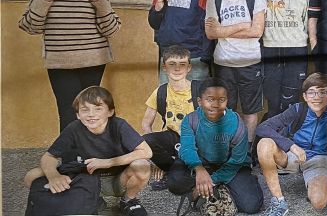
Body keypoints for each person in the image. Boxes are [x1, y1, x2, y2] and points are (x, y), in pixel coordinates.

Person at [19, 0, 121, 131]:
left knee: (91, 109)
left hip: (93, 61)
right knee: (68, 111)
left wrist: (100, 4)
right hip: (61, 63)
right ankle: (69, 156)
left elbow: (112, 30)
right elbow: (30, 26)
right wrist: (44, 2)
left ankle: (90, 151)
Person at [24, 86, 152, 216]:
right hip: (84, 180)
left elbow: (146, 152)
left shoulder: (119, 126)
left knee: (142, 165)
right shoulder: (74, 128)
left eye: (98, 109)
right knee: (33, 175)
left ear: (110, 111)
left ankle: (128, 201)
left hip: (116, 180)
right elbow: (49, 157)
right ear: (78, 115)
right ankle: (92, 200)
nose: (91, 114)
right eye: (85, 110)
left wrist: (108, 162)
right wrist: (53, 176)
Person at [166, 77, 264, 214]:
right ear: (200, 101)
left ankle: (209, 188)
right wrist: (199, 169)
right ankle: (209, 187)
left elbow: (236, 161)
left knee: (251, 205)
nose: (216, 105)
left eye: (221, 100)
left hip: (231, 165)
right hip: (202, 162)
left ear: (227, 101)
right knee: (174, 181)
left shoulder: (236, 124)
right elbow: (187, 148)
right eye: (210, 99)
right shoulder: (191, 120)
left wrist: (211, 180)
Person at [256, 73, 327, 216]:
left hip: (318, 159)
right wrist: (291, 146)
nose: (316, 97)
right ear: (305, 96)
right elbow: (262, 127)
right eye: (311, 92)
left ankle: (314, 185)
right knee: (264, 144)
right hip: (292, 155)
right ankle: (279, 202)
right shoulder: (298, 110)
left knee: (319, 202)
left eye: (323, 92)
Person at [204, 0, 266, 141]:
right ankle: (226, 147)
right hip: (223, 63)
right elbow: (211, 33)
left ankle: (246, 151)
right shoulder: (214, 0)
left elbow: (256, 31)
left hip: (250, 63)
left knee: (250, 110)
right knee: (224, 110)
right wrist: (240, 25)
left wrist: (224, 30)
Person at [257, 0, 309, 120]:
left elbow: (308, 21)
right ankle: (271, 138)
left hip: (296, 48)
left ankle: (289, 137)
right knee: (272, 98)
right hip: (270, 47)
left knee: (291, 97)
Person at [148, 0, 211, 84]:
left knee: (195, 98)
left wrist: (205, 56)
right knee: (168, 98)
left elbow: (207, 29)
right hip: (168, 55)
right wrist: (158, 8)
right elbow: (154, 24)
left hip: (193, 56)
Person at [140, 45, 198, 191]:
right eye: (172, 64)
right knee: (146, 140)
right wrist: (156, 158)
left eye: (182, 64)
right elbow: (146, 123)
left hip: (195, 139)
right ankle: (171, 169)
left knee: (176, 185)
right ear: (164, 67)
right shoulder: (160, 91)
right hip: (172, 137)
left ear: (189, 68)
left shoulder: (199, 90)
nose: (177, 69)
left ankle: (190, 171)